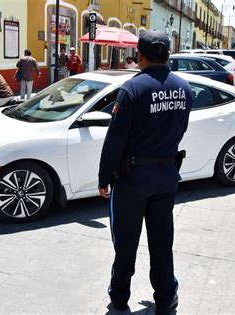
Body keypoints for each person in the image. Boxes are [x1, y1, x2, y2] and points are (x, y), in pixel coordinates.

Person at [98, 29, 193, 314]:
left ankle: (119, 298)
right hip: (166, 176)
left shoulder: (132, 90)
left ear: (139, 55)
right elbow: (181, 129)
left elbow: (115, 139)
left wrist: (104, 179)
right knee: (162, 243)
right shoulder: (184, 89)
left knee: (125, 243)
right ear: (167, 54)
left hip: (132, 179)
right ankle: (165, 299)